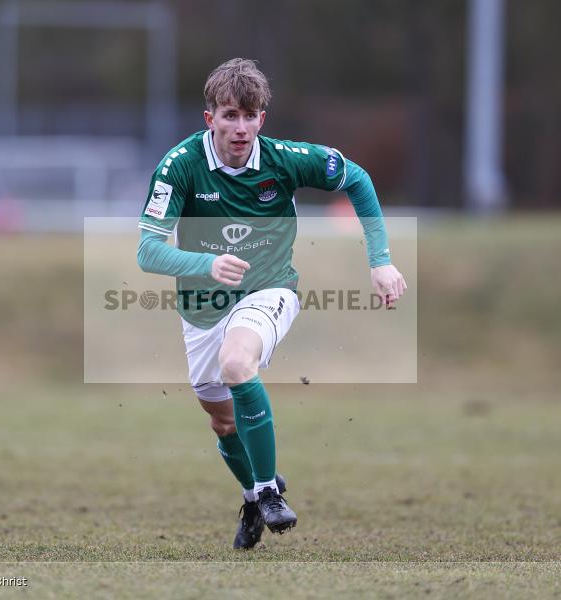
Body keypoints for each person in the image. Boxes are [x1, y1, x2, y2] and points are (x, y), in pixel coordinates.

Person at [137, 58, 406, 549]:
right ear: (210, 119)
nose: (240, 128)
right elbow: (147, 251)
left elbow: (358, 179)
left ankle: (268, 492)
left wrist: (381, 260)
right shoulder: (178, 167)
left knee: (237, 363)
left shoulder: (285, 158)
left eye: (250, 116)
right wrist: (204, 264)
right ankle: (253, 495)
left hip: (270, 289)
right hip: (201, 306)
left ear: (262, 118)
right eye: (230, 115)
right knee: (221, 420)